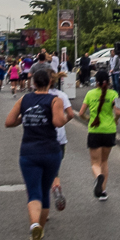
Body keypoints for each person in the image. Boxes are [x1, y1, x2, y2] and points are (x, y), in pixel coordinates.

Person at [4, 67, 65, 240]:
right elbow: (57, 122)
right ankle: (41, 231)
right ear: (49, 83)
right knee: (45, 191)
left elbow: (9, 121)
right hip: (51, 152)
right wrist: (66, 117)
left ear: (33, 83)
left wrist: (25, 118)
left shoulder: (25, 100)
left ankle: (35, 226)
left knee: (33, 192)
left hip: (29, 152)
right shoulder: (55, 100)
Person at [78, 70, 120, 201]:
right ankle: (103, 190)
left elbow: (80, 113)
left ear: (96, 82)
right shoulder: (114, 94)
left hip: (95, 131)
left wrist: (87, 119)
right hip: (109, 130)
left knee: (95, 163)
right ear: (108, 81)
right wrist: (115, 120)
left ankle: (98, 177)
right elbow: (118, 112)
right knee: (104, 161)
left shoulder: (90, 94)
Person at [48, 82, 76, 212]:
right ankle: (57, 185)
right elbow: (70, 114)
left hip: (43, 138)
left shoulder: (37, 96)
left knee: (44, 172)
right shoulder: (61, 95)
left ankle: (44, 208)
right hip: (60, 138)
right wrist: (61, 123)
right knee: (55, 168)